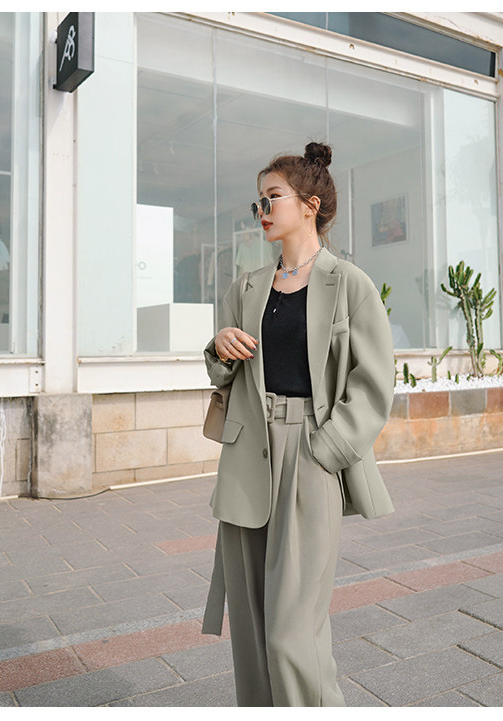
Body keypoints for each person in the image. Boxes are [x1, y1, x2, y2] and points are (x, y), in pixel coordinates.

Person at [201, 142, 396, 706]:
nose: (261, 210)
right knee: (252, 628)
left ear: (310, 205)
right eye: (257, 202)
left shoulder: (349, 284)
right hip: (248, 454)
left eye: (272, 198)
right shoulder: (246, 287)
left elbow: (374, 382)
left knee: (292, 632)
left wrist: (326, 450)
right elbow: (223, 374)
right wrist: (219, 346)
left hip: (310, 452)